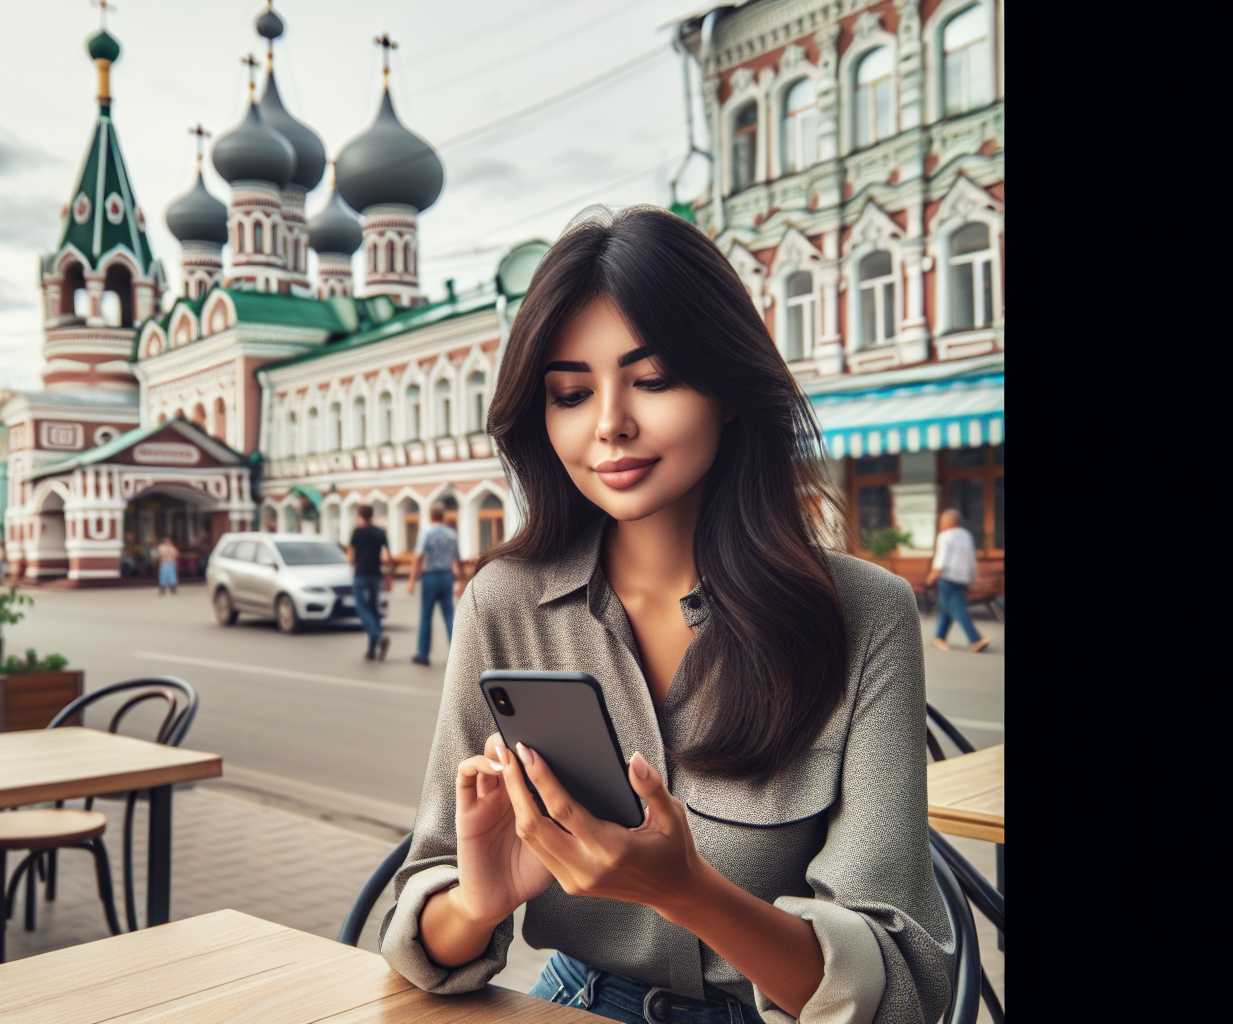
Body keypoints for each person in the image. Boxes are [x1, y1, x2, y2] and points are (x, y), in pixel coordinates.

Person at [376, 207, 951, 1024]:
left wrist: (687, 892)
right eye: (571, 393)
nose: (609, 422)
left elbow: (906, 987)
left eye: (653, 380)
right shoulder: (502, 603)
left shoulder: (865, 615)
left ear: (728, 392)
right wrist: (476, 902)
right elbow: (420, 920)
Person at [407, 505, 465, 667]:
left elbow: (418, 557)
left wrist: (412, 580)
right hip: (447, 576)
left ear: (431, 516)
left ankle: (423, 654)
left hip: (430, 576)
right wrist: (461, 580)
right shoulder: (451, 534)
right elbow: (458, 559)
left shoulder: (426, 532)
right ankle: (458, 655)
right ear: (443, 516)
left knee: (426, 615)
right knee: (449, 616)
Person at [925, 509, 988, 653]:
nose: (940, 523)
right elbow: (971, 558)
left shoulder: (945, 536)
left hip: (948, 577)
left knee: (955, 609)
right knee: (950, 607)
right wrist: (972, 577)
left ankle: (975, 639)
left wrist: (932, 575)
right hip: (963, 578)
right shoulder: (966, 535)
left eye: (942, 520)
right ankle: (940, 637)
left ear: (949, 521)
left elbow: (941, 558)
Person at [349, 507, 391, 660]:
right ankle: (372, 651)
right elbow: (387, 555)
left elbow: (351, 556)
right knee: (374, 611)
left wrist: (353, 562)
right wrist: (389, 577)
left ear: (361, 516)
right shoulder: (380, 532)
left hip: (361, 574)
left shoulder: (357, 532)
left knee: (362, 609)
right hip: (376, 575)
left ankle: (379, 637)